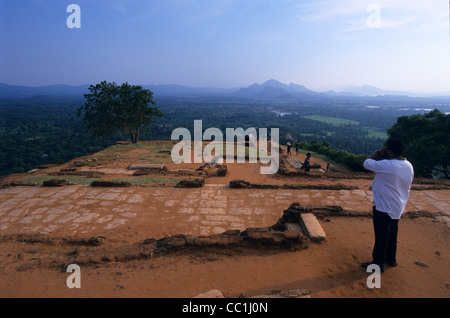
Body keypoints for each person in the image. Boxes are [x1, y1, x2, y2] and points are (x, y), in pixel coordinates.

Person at [362, 138, 414, 273]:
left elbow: (367, 163)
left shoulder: (387, 165)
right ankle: (391, 259)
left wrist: (377, 152)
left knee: (381, 236)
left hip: (383, 206)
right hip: (398, 206)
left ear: (389, 151)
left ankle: (378, 264)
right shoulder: (408, 165)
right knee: (392, 234)